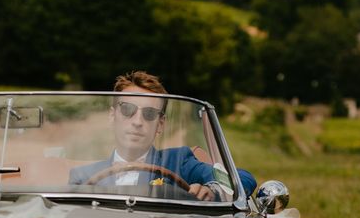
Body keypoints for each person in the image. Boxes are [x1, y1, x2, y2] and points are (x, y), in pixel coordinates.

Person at [69, 71, 257, 201]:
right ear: (112, 116)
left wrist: (213, 190)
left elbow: (242, 178)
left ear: (160, 124)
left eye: (149, 114)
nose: (137, 121)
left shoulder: (179, 161)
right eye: (127, 110)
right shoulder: (83, 176)